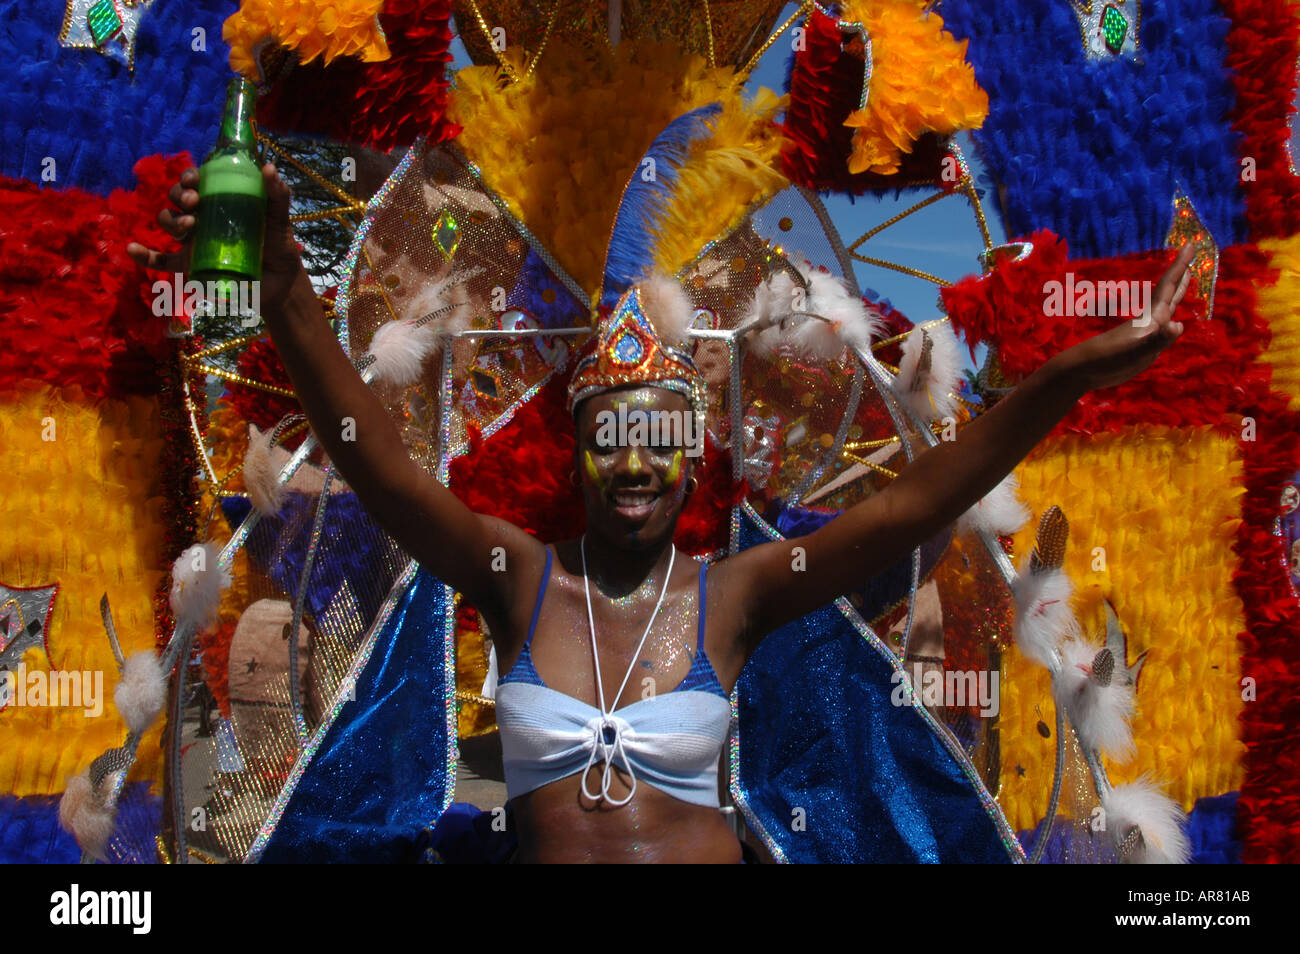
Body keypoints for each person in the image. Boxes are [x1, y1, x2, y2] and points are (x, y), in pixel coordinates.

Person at [128, 162, 1197, 864]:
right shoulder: (517, 578)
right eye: (611, 437)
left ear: (691, 463)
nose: (634, 465)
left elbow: (929, 493)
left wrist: (1076, 369)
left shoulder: (730, 597)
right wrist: (280, 285)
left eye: (660, 441)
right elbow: (383, 469)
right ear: (579, 452)